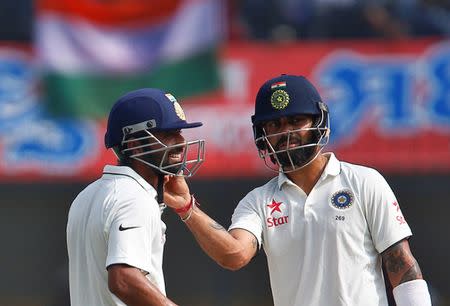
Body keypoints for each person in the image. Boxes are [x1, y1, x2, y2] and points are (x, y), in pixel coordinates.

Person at [163, 75, 432, 306]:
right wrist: (188, 208)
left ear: (319, 122)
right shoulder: (258, 201)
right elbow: (234, 255)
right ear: (262, 136)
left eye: (296, 120)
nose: (287, 132)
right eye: (275, 125)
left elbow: (402, 266)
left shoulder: (363, 182)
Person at [66, 88, 205, 306]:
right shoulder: (134, 198)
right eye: (168, 134)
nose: (181, 141)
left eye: (179, 132)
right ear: (133, 144)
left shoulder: (86, 196)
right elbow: (123, 279)